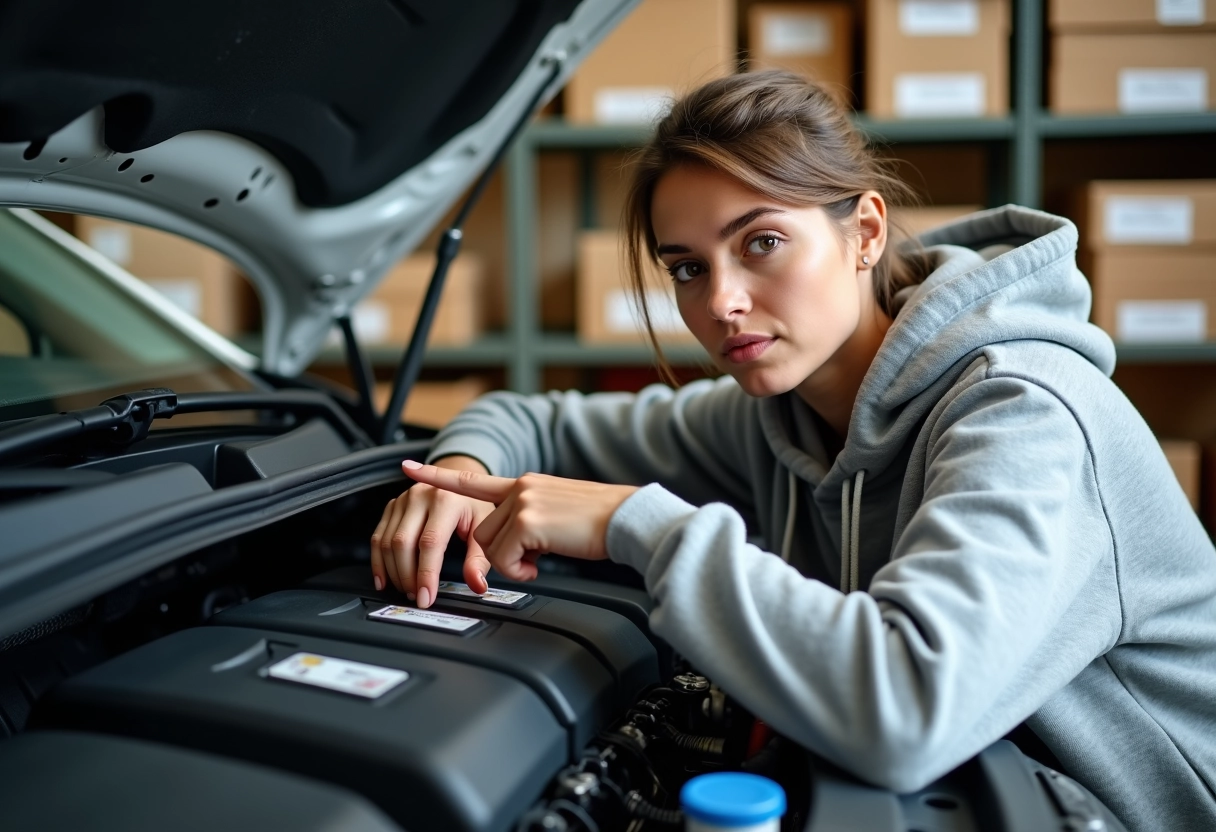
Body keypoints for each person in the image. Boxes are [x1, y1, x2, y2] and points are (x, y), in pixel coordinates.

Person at [369, 71, 1216, 832]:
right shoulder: (779, 413)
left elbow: (904, 710)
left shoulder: (1024, 412)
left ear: (865, 232)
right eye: (687, 269)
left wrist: (640, 523)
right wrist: (466, 479)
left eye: (760, 242)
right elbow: (531, 418)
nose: (722, 303)